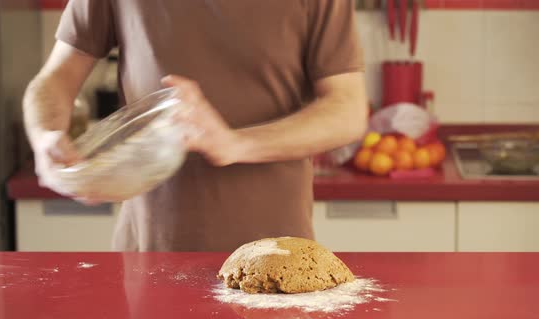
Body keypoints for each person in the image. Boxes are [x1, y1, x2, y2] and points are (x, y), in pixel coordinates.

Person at [23, 0, 368, 252]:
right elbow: (56, 77)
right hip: (149, 251)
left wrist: (235, 143)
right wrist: (45, 136)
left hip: (275, 256)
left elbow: (347, 109)